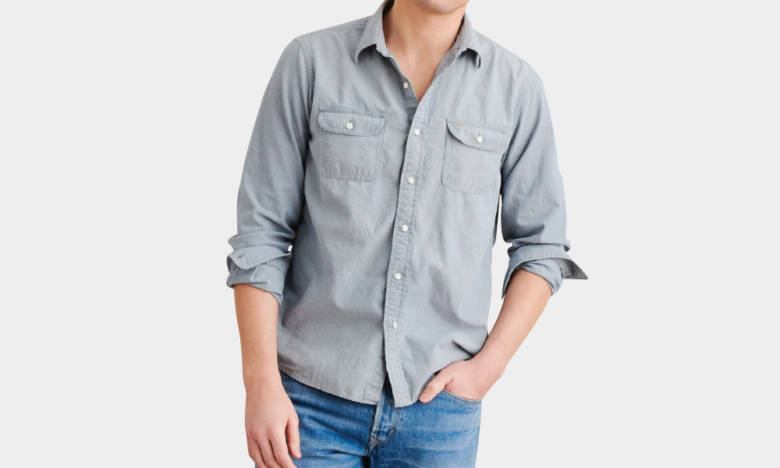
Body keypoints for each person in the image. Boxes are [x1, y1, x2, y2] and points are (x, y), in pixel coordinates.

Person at [226, 0, 587, 466]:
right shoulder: (311, 62)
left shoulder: (516, 88)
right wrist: (260, 384)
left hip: (440, 415)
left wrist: (488, 368)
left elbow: (541, 246)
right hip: (309, 406)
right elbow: (262, 232)